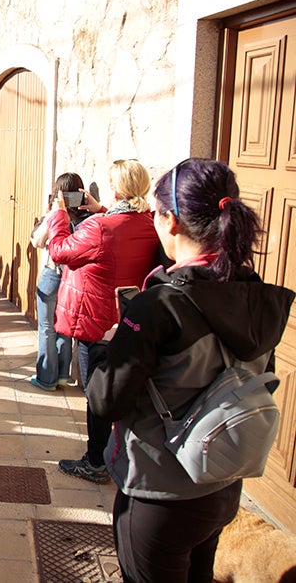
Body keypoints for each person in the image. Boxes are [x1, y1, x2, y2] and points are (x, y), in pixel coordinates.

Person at [85, 158, 294, 583]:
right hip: (221, 485)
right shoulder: (256, 295)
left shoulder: (160, 305)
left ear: (171, 221)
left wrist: (109, 348)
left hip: (158, 491)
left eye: (156, 213)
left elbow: (106, 399)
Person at [49, 158, 160, 484]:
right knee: (125, 391)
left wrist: (58, 212)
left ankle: (95, 462)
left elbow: (59, 250)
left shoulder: (99, 228)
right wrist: (99, 209)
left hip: (95, 324)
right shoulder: (150, 222)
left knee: (97, 394)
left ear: (116, 188)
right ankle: (124, 456)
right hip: (130, 320)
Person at [29, 173, 89, 391]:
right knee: (64, 327)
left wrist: (53, 213)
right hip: (73, 278)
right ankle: (63, 374)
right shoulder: (88, 218)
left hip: (52, 275)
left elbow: (37, 240)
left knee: (47, 327)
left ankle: (47, 377)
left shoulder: (57, 215)